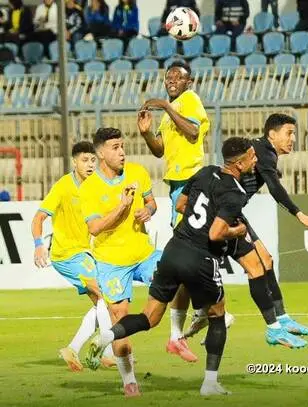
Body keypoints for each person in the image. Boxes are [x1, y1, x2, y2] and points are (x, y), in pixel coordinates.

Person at [85, 137, 257, 396]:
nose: (255, 160)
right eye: (252, 157)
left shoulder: (206, 171)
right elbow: (216, 234)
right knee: (218, 315)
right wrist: (238, 230)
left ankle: (108, 336)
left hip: (174, 249)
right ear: (240, 163)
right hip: (200, 258)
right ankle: (210, 383)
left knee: (149, 317)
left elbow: (179, 204)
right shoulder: (237, 193)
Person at [181, 114, 308, 348]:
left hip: (231, 213)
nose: (293, 138)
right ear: (272, 134)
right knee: (256, 266)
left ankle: (281, 319)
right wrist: (299, 214)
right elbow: (275, 188)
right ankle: (272, 327)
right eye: (289, 133)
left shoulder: (262, 151)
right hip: (224, 217)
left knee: (266, 260)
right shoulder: (264, 152)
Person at [137, 59, 219, 363]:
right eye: (168, 76)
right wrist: (147, 133)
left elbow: (194, 132)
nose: (171, 79)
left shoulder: (189, 101)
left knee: (190, 248)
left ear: (189, 82)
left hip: (192, 179)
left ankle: (200, 313)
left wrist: (166, 106)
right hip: (177, 184)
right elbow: (161, 150)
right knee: (190, 251)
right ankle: (193, 320)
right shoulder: (171, 110)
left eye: (178, 76)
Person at [79, 127, 162, 397]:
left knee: (178, 274)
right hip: (112, 262)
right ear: (101, 153)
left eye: (122, 145)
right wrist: (123, 207)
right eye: (115, 147)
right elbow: (94, 228)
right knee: (120, 319)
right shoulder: (90, 188)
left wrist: (146, 210)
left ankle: (181, 330)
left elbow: (152, 202)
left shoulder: (137, 172)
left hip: (144, 254)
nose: (122, 151)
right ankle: (129, 382)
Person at [30, 141, 115, 372]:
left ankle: (74, 349)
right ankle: (107, 352)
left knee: (103, 301)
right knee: (103, 295)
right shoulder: (63, 187)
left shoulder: (95, 187)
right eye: (85, 160)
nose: (89, 165)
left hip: (86, 252)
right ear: (74, 162)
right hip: (67, 254)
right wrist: (39, 245)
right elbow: (38, 218)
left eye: (92, 160)